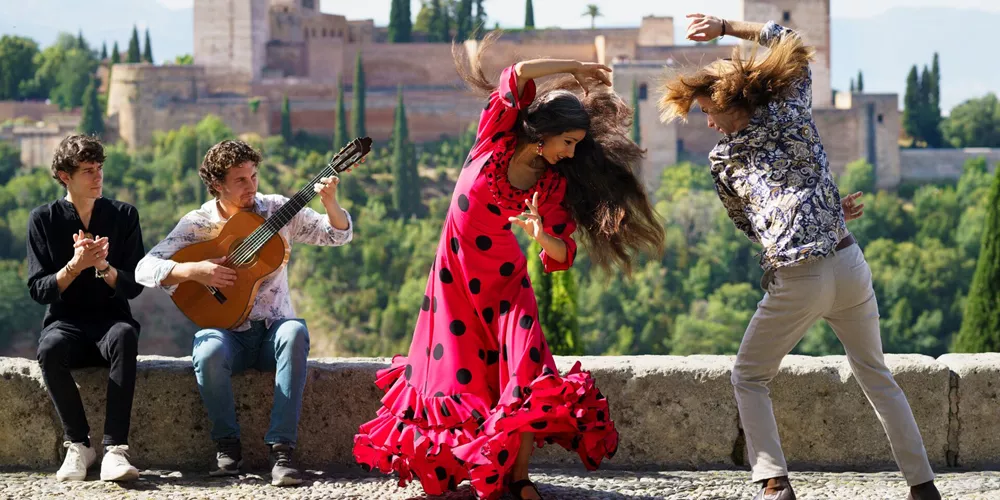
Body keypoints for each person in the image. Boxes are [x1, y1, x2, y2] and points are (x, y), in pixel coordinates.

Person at [353, 32, 665, 500]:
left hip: (506, 288)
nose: (572, 152)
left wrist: (542, 237)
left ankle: (518, 478)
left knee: (525, 372)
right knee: (457, 380)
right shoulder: (494, 137)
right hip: (454, 282)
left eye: (578, 144)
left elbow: (561, 256)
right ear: (540, 134)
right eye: (567, 141)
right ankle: (463, 465)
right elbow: (515, 75)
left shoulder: (553, 187)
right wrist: (577, 67)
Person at [658, 13, 941, 500]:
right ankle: (922, 486)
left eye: (707, 110)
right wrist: (726, 25)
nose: (706, 122)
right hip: (849, 263)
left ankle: (774, 483)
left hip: (800, 273)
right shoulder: (793, 109)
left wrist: (807, 219)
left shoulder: (723, 159)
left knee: (748, 376)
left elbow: (751, 225)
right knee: (876, 374)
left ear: (730, 103)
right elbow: (789, 40)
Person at [134, 139, 354, 486]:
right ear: (217, 185)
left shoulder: (278, 209)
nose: (251, 186)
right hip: (227, 335)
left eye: (254, 176)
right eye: (240, 180)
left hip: (273, 331)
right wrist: (194, 271)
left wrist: (330, 202)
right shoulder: (199, 223)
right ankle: (227, 447)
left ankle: (282, 451)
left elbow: (337, 236)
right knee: (205, 348)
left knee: (295, 331)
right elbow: (144, 269)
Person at [27, 134, 146, 482]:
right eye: (88, 171)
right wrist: (75, 266)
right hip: (66, 323)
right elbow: (39, 290)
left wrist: (104, 268)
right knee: (49, 349)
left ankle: (115, 450)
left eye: (99, 169)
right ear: (65, 176)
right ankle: (79, 445)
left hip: (111, 321)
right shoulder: (43, 220)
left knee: (125, 335)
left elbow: (134, 285)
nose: (97, 177)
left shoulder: (124, 216)